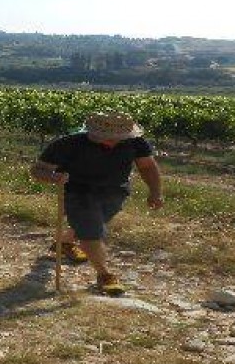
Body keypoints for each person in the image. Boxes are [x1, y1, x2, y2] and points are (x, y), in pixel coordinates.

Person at [30, 111, 164, 296]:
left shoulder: (135, 142)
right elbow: (38, 170)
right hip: (78, 191)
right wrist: (53, 176)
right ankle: (105, 275)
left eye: (117, 137)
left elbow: (147, 166)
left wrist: (155, 192)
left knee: (93, 222)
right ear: (92, 132)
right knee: (91, 230)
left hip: (116, 191)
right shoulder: (68, 143)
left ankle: (64, 243)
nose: (111, 141)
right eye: (105, 137)